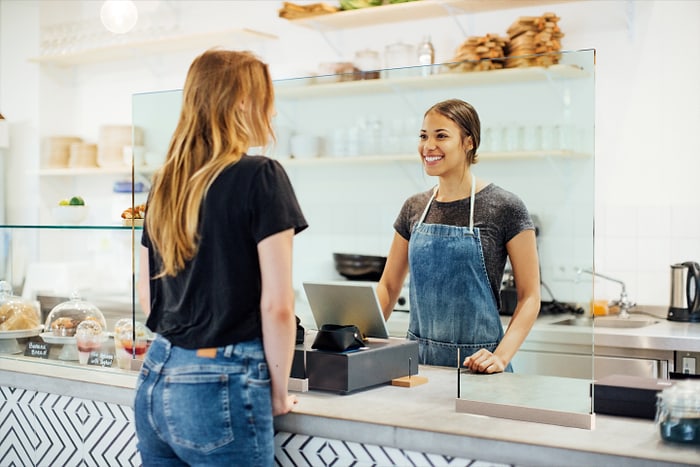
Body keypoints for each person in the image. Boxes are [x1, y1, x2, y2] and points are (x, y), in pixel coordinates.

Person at [134, 49, 307, 466]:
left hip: (156, 375)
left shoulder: (166, 184)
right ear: (243, 102)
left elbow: (147, 297)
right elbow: (278, 306)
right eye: (267, 97)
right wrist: (279, 390)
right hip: (220, 380)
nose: (273, 109)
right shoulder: (262, 175)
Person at [377, 98, 540, 372]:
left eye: (441, 136)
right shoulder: (414, 207)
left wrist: (500, 357)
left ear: (469, 142)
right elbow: (389, 286)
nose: (428, 146)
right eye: (423, 136)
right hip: (418, 364)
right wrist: (359, 338)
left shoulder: (505, 207)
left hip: (478, 365)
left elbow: (530, 296)